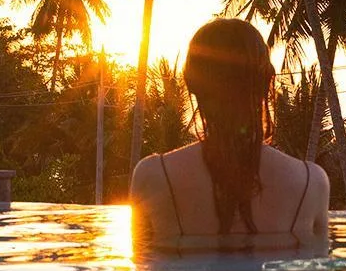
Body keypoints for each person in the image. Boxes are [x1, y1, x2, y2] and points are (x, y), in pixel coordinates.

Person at [131, 18, 329, 249]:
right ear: (267, 83)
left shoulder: (152, 176)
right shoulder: (312, 183)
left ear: (191, 84)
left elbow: (141, 268)